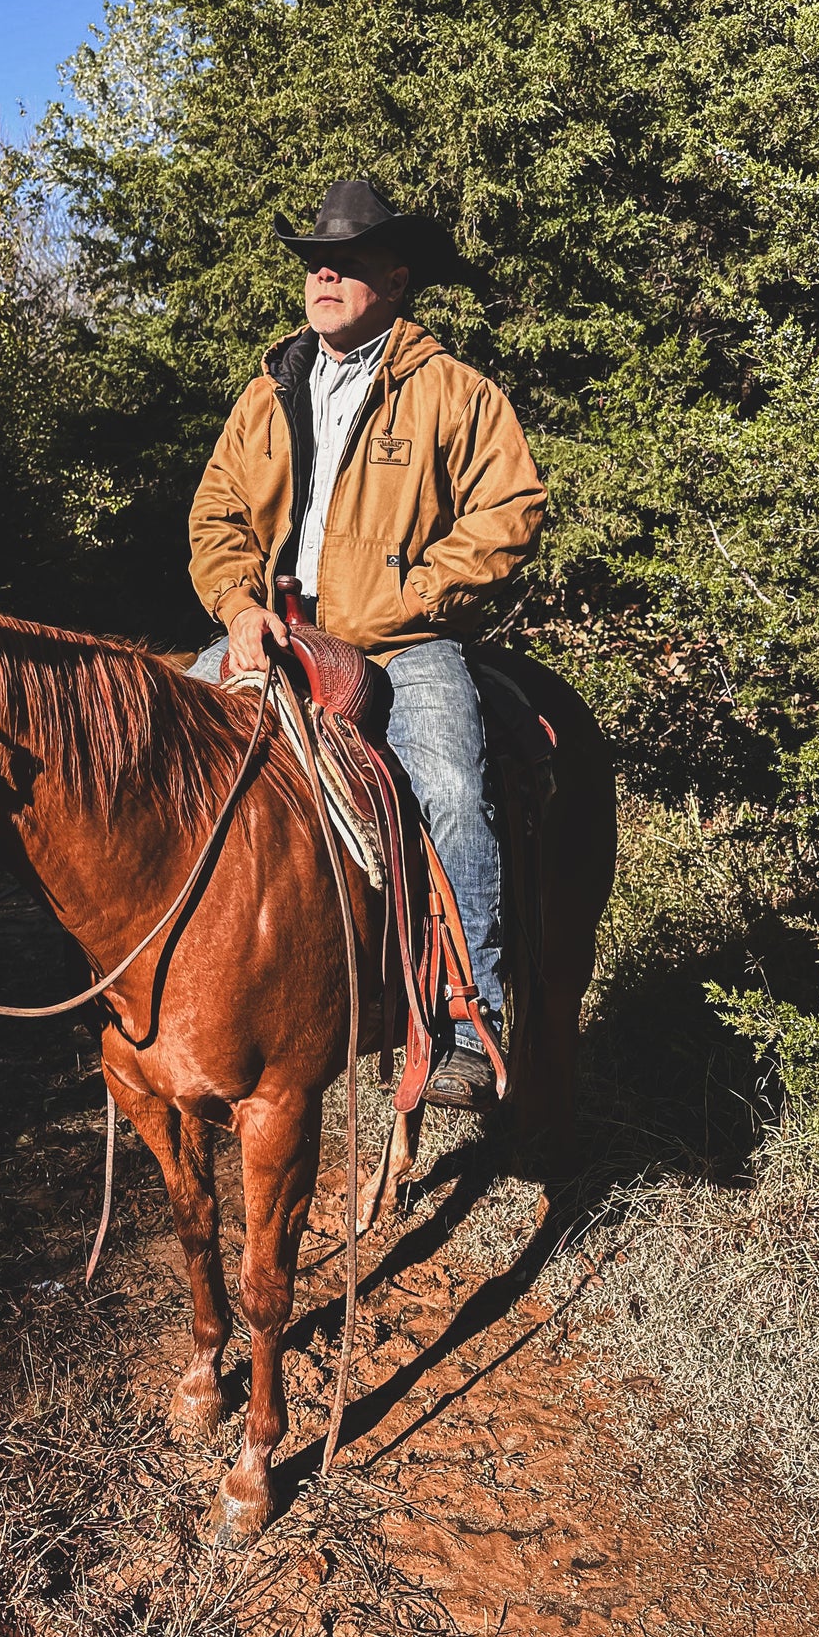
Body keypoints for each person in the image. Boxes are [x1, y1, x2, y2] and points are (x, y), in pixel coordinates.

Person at [184, 180, 547, 1108]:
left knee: (453, 787)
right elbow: (217, 513)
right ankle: (177, 987)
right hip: (270, 632)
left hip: (401, 646)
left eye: (344, 261)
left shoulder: (454, 394)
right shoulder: (268, 392)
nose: (323, 274)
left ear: (396, 277)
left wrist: (414, 595)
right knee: (160, 756)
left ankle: (472, 1017)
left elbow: (510, 511)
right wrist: (235, 607)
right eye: (313, 260)